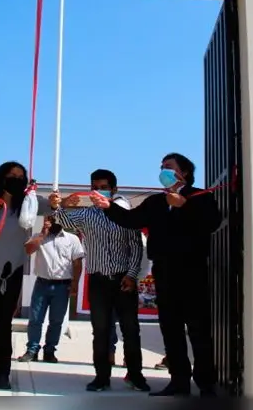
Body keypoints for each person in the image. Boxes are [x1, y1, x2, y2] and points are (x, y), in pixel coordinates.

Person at [91, 153, 224, 398]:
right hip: (164, 272)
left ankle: (206, 384)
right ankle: (179, 382)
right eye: (162, 167)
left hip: (193, 272)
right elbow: (130, 220)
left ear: (183, 171)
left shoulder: (201, 197)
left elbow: (213, 223)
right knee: (171, 330)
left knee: (199, 330)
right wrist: (108, 207)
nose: (163, 170)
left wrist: (185, 206)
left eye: (169, 167)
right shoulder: (155, 202)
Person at [0, 161, 61, 390]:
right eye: (11, 175)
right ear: (0, 177)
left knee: (4, 323)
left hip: (12, 270)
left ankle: (3, 374)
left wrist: (58, 202)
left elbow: (54, 208)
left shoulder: (28, 203)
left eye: (20, 176)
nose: (16, 179)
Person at [53, 169, 149, 393]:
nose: (98, 191)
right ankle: (101, 377)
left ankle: (135, 375)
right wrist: (59, 204)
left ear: (114, 189)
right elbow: (62, 219)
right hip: (98, 281)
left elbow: (136, 247)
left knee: (131, 330)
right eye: (94, 187)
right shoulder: (87, 215)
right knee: (101, 331)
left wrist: (132, 275)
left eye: (103, 187)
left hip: (123, 280)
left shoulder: (125, 212)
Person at [17, 215, 85, 363]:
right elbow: (28, 250)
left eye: (56, 219)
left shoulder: (72, 239)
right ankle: (32, 350)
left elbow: (77, 262)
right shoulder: (39, 236)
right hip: (42, 283)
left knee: (56, 321)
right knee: (35, 319)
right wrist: (42, 234)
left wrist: (75, 283)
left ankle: (50, 351)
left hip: (62, 285)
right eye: (50, 219)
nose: (53, 222)